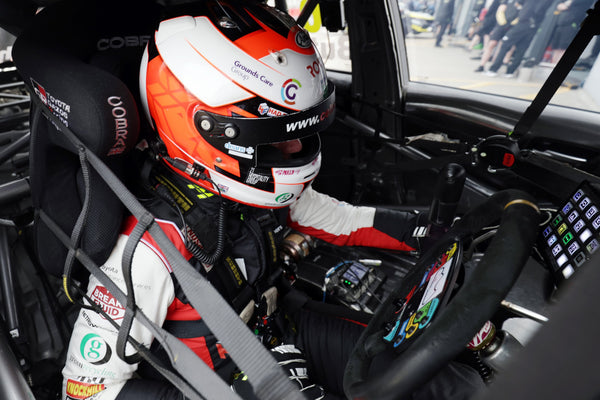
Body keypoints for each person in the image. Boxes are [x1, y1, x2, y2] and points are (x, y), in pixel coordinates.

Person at [60, 2, 439, 400]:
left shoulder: (259, 194)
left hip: (282, 328)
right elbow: (84, 392)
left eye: (299, 131)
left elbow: (338, 219)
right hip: (220, 380)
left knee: (431, 374)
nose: (295, 148)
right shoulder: (147, 250)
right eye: (275, 136)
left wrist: (428, 231)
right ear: (212, 132)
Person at [485, 0, 551, 77]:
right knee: (521, 49)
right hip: (534, 26)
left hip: (523, 22)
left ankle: (493, 69)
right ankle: (510, 72)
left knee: (505, 45)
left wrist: (520, 11)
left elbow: (518, 3)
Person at [474, 0, 522, 72]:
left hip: (511, 27)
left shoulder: (522, 2)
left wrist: (513, 23)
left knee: (502, 47)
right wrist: (503, 23)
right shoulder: (507, 1)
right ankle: (482, 65)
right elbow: (500, 11)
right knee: (492, 44)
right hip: (501, 25)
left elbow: (521, 14)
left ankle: (493, 65)